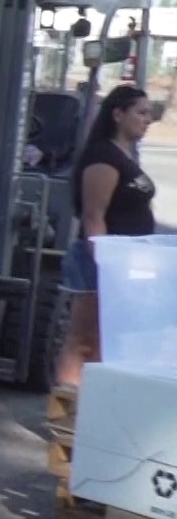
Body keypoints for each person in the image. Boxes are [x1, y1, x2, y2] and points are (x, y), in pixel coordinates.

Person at [57, 84, 159, 386]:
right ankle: (64, 419)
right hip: (100, 264)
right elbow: (93, 217)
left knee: (106, 342)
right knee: (83, 340)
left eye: (148, 113)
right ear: (118, 114)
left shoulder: (124, 154)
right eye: (140, 112)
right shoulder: (103, 158)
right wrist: (106, 266)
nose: (148, 119)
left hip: (124, 262)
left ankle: (88, 414)